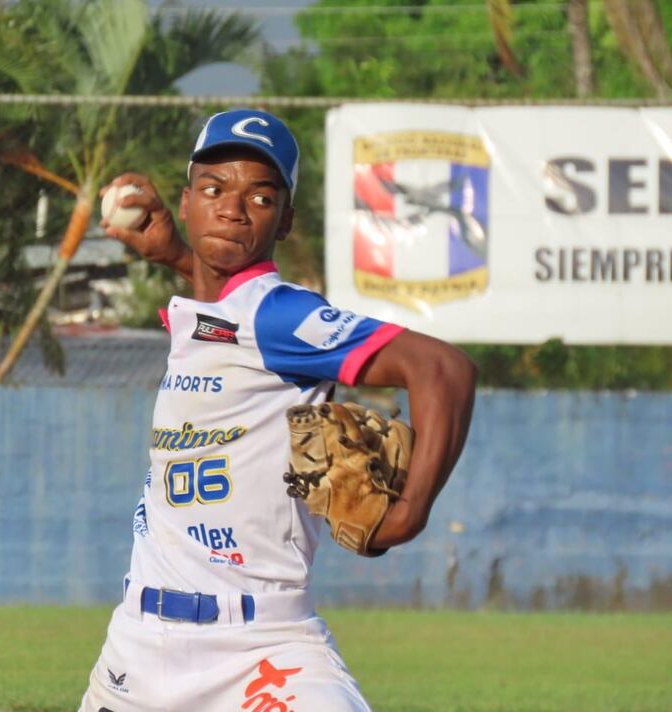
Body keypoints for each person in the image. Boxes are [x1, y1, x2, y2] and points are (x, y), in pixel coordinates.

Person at [80, 109, 476, 712]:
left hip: (258, 647)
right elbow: (226, 313)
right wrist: (175, 255)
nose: (233, 210)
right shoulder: (214, 317)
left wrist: (409, 514)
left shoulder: (278, 313)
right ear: (186, 203)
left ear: (284, 221)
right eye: (213, 189)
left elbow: (442, 369)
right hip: (138, 646)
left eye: (260, 198)